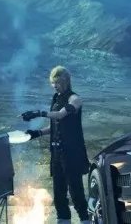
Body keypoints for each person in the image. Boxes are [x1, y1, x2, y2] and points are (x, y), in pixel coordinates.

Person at [21, 66, 91, 224]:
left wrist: (39, 113)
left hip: (71, 152)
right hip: (57, 151)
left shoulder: (75, 99)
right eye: (53, 83)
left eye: (57, 82)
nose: (54, 86)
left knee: (76, 190)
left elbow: (60, 115)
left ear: (65, 81)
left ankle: (85, 220)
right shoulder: (56, 98)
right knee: (59, 192)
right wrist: (37, 133)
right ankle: (63, 220)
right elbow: (55, 125)